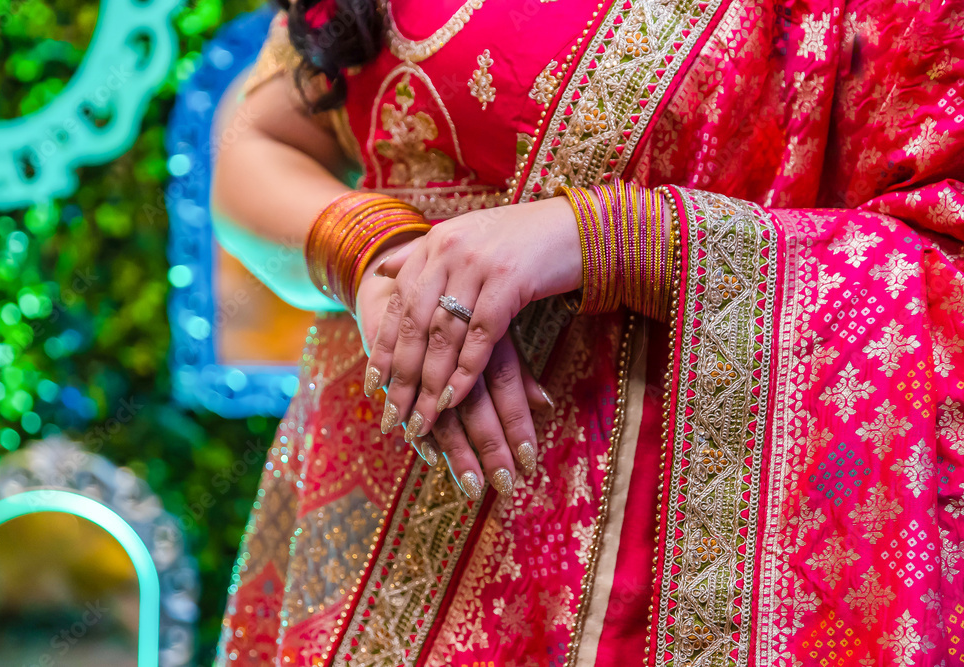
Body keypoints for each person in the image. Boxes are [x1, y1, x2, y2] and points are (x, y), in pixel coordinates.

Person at [211, 0, 964, 664]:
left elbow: (941, 252)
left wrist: (606, 238)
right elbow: (256, 140)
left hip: (664, 561)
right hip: (380, 525)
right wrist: (376, 254)